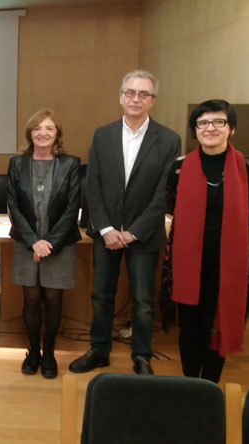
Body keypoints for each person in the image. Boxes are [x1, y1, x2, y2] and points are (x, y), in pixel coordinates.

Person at [69, 70, 180, 375]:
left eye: (143, 94)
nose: (135, 98)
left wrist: (132, 233)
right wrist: (105, 228)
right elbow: (93, 184)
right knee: (101, 294)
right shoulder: (102, 134)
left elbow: (163, 194)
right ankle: (99, 349)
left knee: (143, 301)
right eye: (130, 92)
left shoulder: (169, 139)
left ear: (152, 100)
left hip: (143, 236)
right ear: (120, 97)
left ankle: (141, 355)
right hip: (105, 234)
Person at [161, 99, 249, 383]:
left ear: (232, 129)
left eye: (219, 122)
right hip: (188, 263)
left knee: (220, 322)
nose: (210, 128)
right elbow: (171, 206)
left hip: (229, 264)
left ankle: (210, 383)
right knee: (191, 326)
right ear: (195, 130)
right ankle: (192, 382)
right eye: (202, 123)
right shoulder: (179, 168)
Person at [7, 109, 80, 378]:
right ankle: (33, 350)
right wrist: (33, 241)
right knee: (31, 298)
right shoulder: (17, 164)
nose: (43, 133)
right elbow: (13, 205)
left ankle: (49, 352)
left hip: (58, 243)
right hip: (27, 242)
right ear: (30, 133)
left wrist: (48, 243)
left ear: (57, 133)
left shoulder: (70, 164)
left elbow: (73, 208)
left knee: (52, 299)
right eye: (37, 128)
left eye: (49, 128)